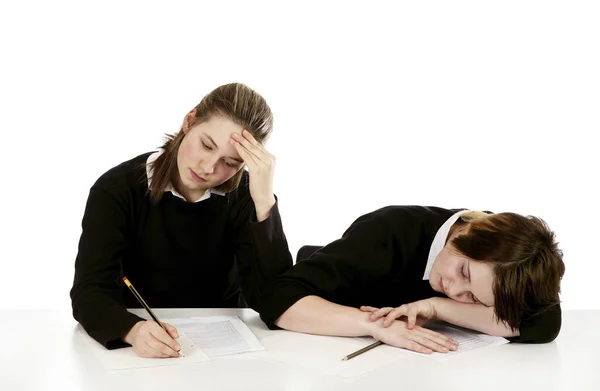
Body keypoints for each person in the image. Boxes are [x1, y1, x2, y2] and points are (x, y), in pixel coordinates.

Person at [70, 82, 292, 358]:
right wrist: (133, 330)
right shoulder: (117, 190)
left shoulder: (244, 197)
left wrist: (264, 203)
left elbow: (277, 300)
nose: (209, 167)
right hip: (140, 349)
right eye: (206, 145)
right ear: (189, 121)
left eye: (231, 163)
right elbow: (89, 293)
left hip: (226, 352)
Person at [259, 206, 564, 354]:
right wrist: (376, 325)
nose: (454, 290)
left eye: (473, 299)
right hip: (325, 318)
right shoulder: (388, 231)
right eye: (464, 272)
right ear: (469, 232)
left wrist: (436, 307)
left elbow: (544, 322)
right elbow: (277, 297)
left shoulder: (508, 256)